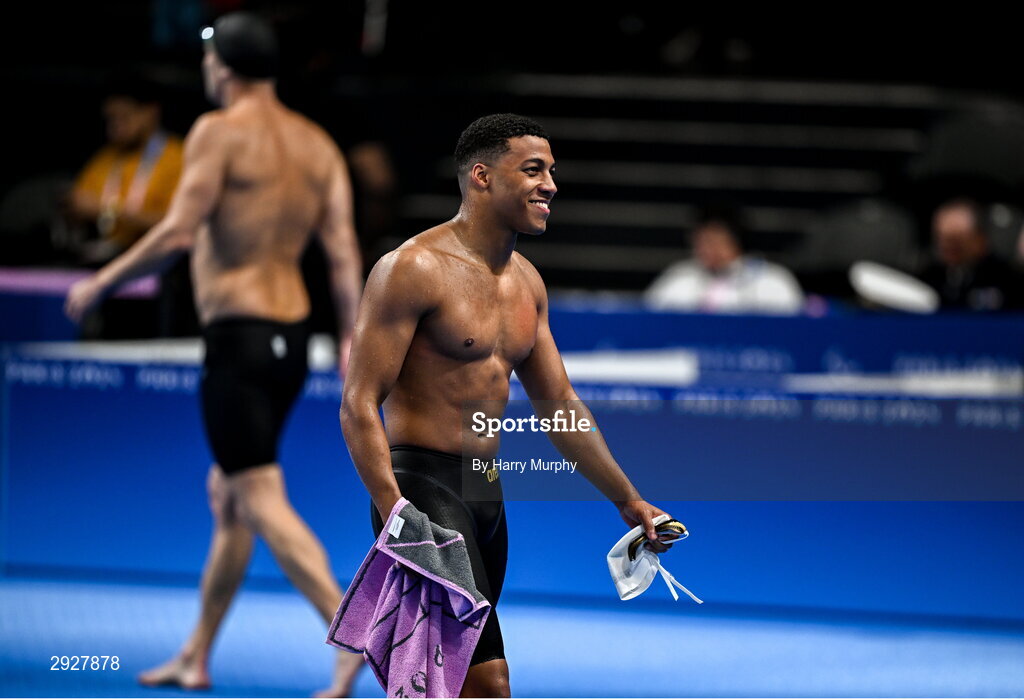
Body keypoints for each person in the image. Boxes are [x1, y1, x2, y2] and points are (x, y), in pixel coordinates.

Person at [64, 12, 364, 696]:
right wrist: (349, 339)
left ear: (221, 68)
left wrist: (101, 281)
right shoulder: (318, 145)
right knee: (229, 495)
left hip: (238, 338)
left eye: (208, 59)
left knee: (257, 494)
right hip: (294, 340)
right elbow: (344, 252)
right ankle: (196, 655)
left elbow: (177, 230)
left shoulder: (216, 132)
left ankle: (350, 634)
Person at [339, 113, 675, 698]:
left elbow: (558, 403)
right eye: (533, 170)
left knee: (443, 682)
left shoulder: (527, 284)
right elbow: (358, 402)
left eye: (552, 171)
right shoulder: (411, 269)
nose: (550, 184)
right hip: (424, 493)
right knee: (488, 682)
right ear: (482, 176)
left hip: (485, 495)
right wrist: (395, 511)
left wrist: (628, 499)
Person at [68, 77, 184, 264]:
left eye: (124, 117)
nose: (115, 127)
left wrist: (107, 210)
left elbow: (177, 223)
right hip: (101, 258)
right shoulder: (105, 159)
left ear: (150, 112)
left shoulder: (178, 158)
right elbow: (81, 202)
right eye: (111, 119)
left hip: (157, 263)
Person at [645, 207, 804, 314]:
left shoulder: (773, 280)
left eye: (714, 240)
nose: (706, 248)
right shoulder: (679, 276)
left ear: (736, 240)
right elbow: (650, 317)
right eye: (700, 241)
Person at [918, 197, 1023, 311]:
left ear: (979, 239)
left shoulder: (1005, 278)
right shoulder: (929, 277)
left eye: (956, 239)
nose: (947, 246)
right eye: (942, 238)